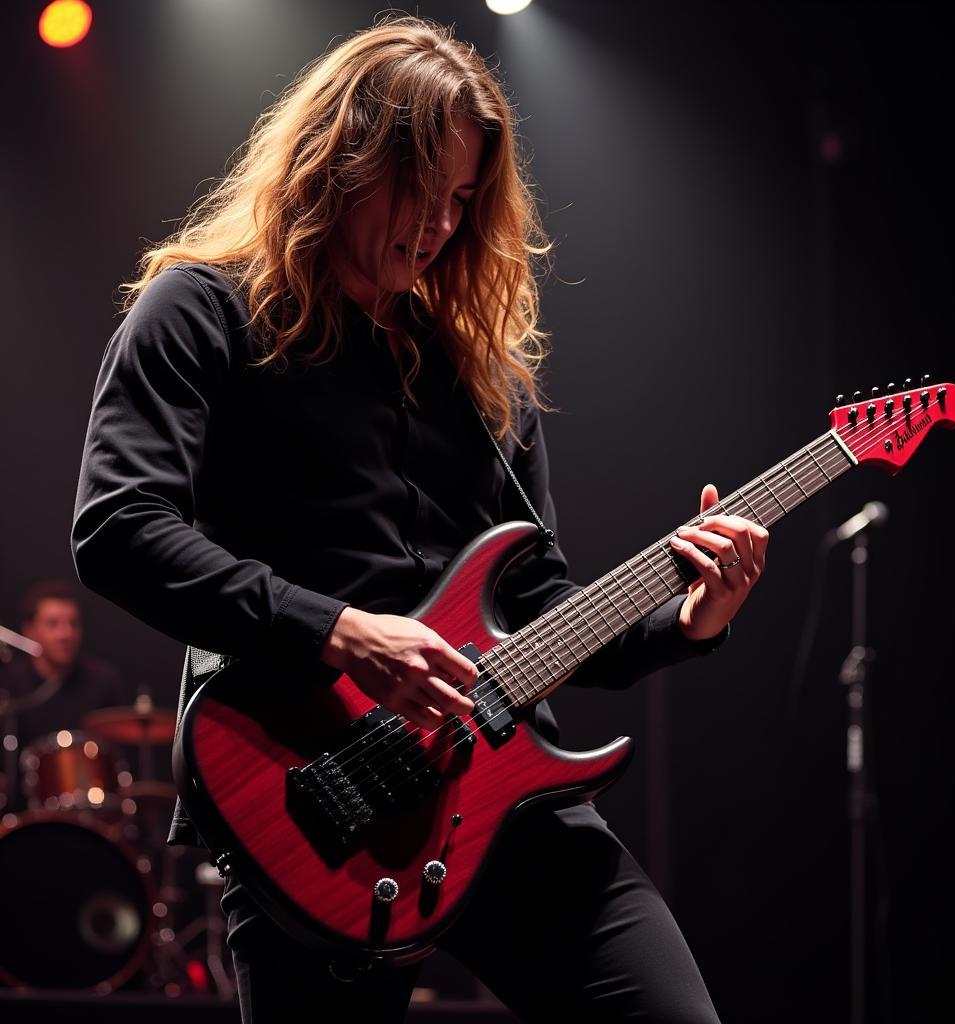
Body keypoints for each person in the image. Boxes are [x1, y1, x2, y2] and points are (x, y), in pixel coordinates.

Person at [72, 16, 768, 1022]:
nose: (440, 226)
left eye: (460, 200)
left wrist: (686, 620)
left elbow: (539, 601)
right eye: (419, 190)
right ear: (340, 161)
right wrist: (339, 631)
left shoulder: (478, 371)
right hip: (310, 796)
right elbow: (117, 525)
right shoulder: (202, 310)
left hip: (500, 790)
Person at [0, 580, 127, 813]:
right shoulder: (10, 686)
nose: (66, 634)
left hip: (95, 816)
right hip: (26, 818)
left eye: (73, 624)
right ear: (29, 630)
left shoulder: (103, 681)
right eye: (53, 624)